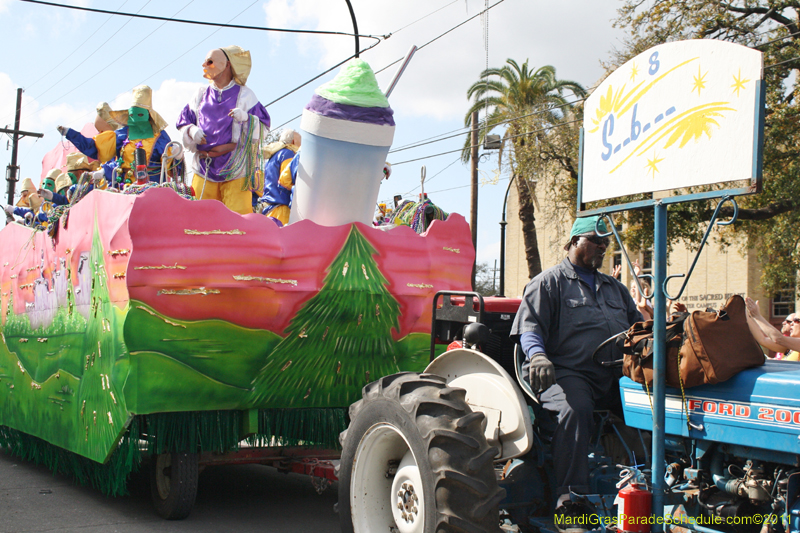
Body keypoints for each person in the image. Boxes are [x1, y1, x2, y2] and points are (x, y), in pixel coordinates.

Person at [510, 215, 643, 529]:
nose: (601, 248)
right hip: (565, 372)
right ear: (574, 242)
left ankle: (649, 480)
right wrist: (538, 356)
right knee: (576, 408)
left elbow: (639, 329)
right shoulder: (548, 282)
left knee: (647, 404)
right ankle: (571, 500)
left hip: (613, 374)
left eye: (605, 243)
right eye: (595, 242)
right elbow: (530, 330)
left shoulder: (615, 289)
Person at [176, 46, 270, 214]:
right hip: (204, 168)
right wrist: (191, 130)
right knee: (198, 218)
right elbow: (184, 121)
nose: (204, 65)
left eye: (210, 61)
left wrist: (247, 119)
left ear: (227, 64)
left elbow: (264, 127)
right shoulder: (200, 93)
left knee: (239, 221)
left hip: (236, 170)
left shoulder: (246, 95)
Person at [57, 85, 173, 185]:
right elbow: (93, 147)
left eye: (140, 114)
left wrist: (177, 156)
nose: (136, 118)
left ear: (149, 114)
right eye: (132, 114)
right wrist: (70, 133)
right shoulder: (122, 135)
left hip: (153, 192)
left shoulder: (160, 137)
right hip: (124, 191)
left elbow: (173, 166)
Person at [256, 129, 300, 225]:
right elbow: (285, 181)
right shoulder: (288, 153)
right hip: (280, 209)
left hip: (268, 208)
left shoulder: (273, 156)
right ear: (293, 142)